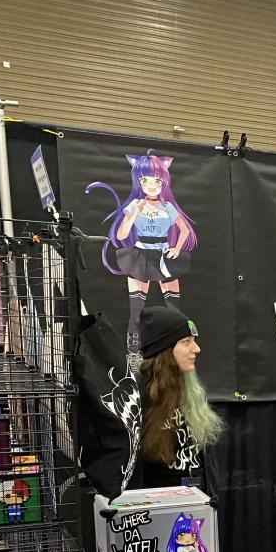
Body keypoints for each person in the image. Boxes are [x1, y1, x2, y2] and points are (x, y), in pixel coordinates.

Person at [87, 152, 198, 358]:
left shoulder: (167, 207)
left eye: (156, 180)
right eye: (146, 180)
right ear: (139, 182)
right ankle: (133, 353)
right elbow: (121, 234)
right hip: (140, 256)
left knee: (174, 310)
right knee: (136, 310)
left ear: (163, 182)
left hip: (164, 257)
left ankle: (176, 348)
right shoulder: (134, 206)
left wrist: (176, 248)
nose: (152, 185)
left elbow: (184, 230)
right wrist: (135, 214)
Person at [136, 305, 223, 488]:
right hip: (159, 498)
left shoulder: (190, 388)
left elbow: (205, 458)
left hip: (197, 495)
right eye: (186, 342)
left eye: (194, 341)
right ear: (165, 349)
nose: (196, 349)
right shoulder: (139, 393)